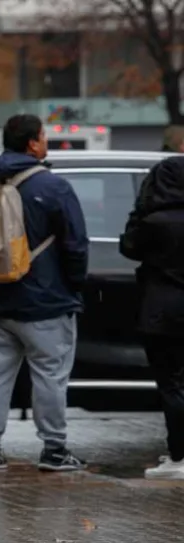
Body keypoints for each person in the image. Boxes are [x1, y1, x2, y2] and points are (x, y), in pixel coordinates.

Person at [0, 114, 89, 473]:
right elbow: (76, 245)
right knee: (50, 374)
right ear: (33, 143)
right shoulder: (53, 187)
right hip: (46, 301)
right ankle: (53, 449)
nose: (45, 142)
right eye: (43, 137)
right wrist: (74, 285)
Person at [119, 156, 184, 479]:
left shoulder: (153, 223)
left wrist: (139, 209)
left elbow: (127, 246)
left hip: (161, 313)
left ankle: (179, 455)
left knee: (171, 385)